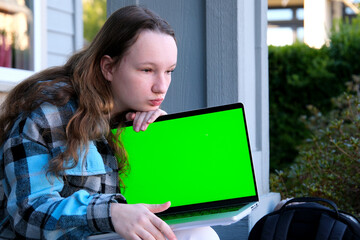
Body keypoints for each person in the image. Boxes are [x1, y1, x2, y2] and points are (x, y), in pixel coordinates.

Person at [0, 5, 220, 240]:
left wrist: (158, 141)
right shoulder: (48, 115)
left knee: (199, 233)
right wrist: (112, 213)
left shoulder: (136, 113)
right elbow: (28, 212)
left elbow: (158, 205)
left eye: (169, 71)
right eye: (147, 70)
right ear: (108, 67)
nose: (161, 87)